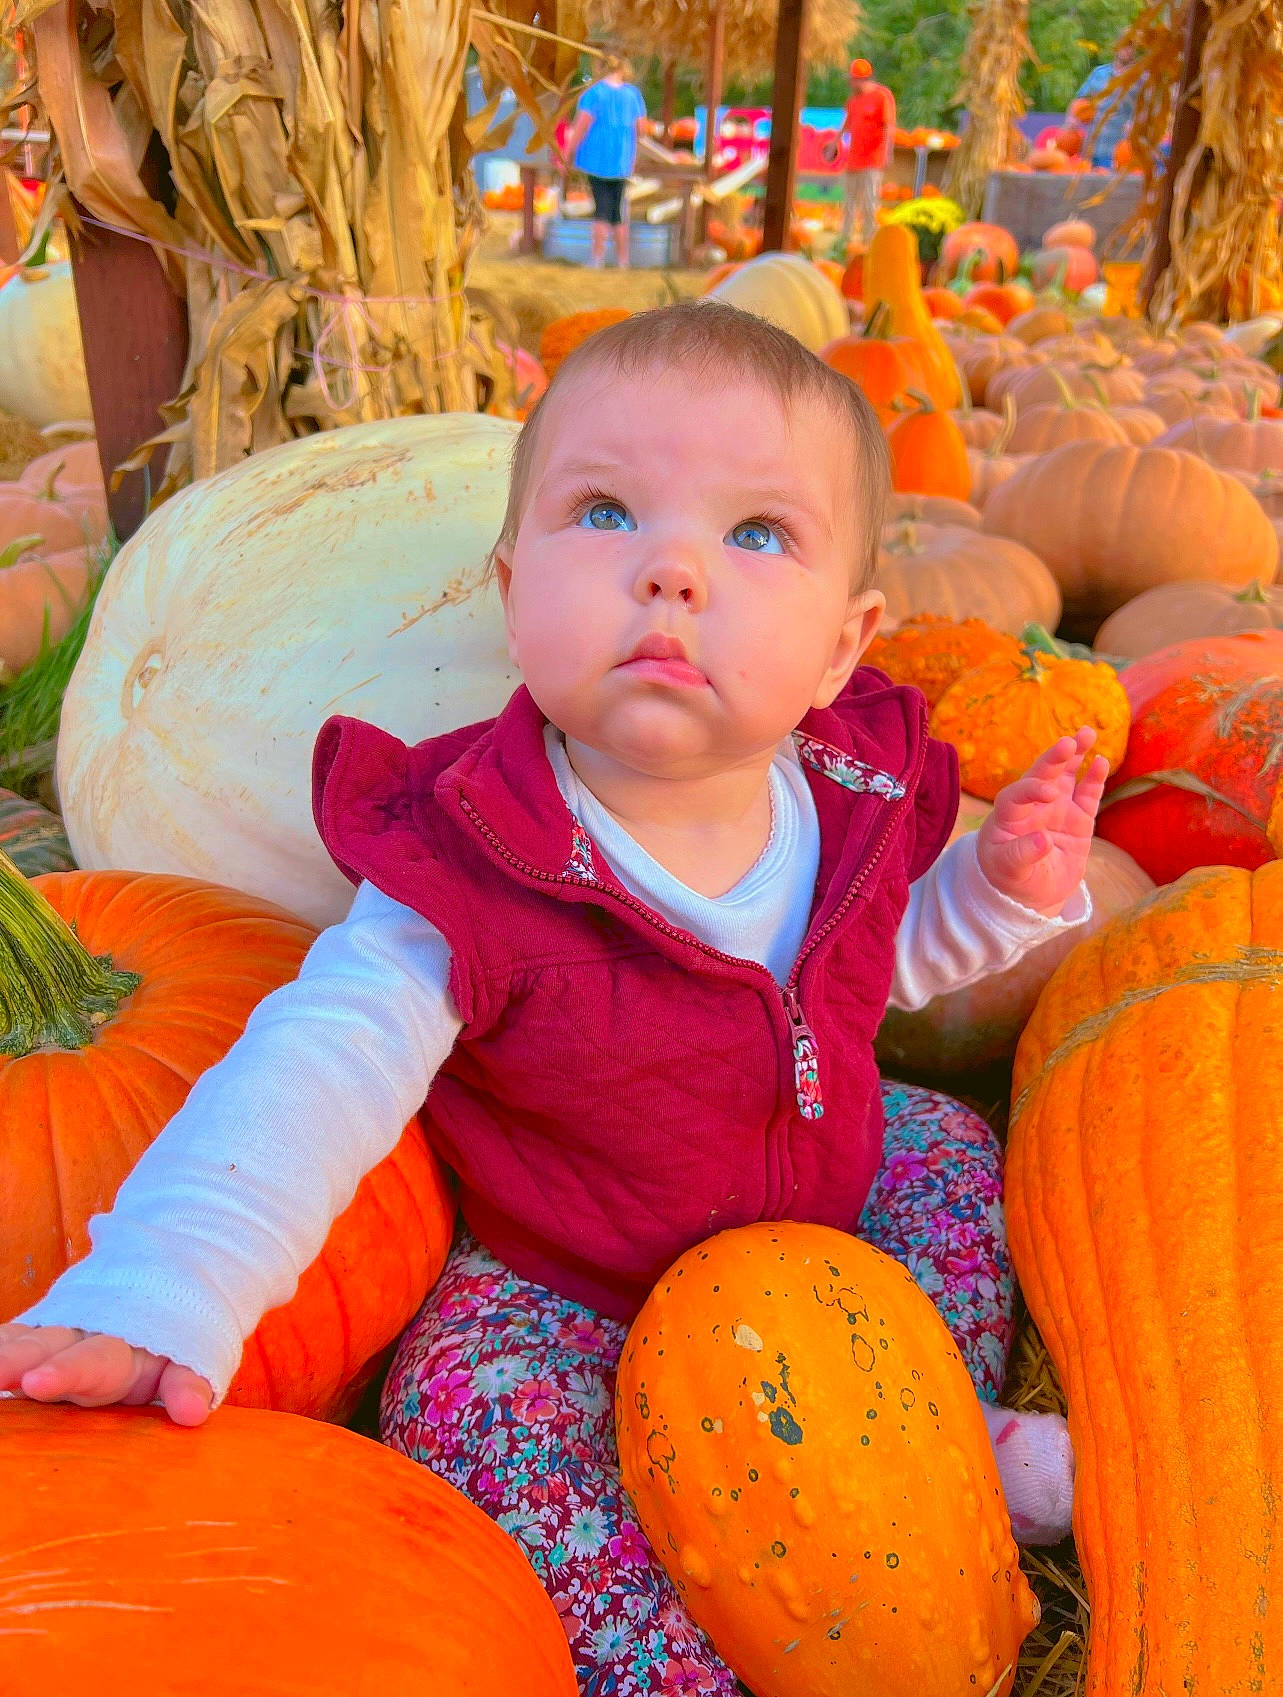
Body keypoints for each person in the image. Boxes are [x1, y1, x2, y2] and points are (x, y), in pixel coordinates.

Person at [1, 301, 1087, 1695]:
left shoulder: (839, 795)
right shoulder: (467, 855)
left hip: (821, 1232)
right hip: (568, 1286)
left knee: (939, 1145)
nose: (672, 571)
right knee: (465, 1412)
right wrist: (168, 1284)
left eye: (754, 535)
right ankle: (665, 1661)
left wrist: (994, 894)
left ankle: (929, 1439)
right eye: (605, 512)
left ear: (838, 648)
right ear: (512, 593)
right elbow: (313, 1073)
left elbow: (869, 980)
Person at [563, 56, 648, 268]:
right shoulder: (632, 94)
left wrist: (568, 151)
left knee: (600, 208)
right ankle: (622, 260)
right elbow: (642, 129)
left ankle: (597, 257)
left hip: (596, 159)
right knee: (618, 211)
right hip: (622, 160)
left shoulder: (594, 94)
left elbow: (581, 125)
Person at [839, 58, 896, 248]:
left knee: (870, 202)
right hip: (854, 159)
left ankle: (869, 241)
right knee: (849, 202)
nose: (850, 83)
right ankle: (845, 239)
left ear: (862, 79)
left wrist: (888, 151)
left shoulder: (882, 96)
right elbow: (847, 124)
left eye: (852, 80)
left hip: (873, 158)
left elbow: (888, 125)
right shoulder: (853, 101)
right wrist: (834, 141)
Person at [1072, 41, 1139, 171]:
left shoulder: (1140, 78)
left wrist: (1134, 124)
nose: (1127, 50)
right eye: (1124, 44)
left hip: (1118, 151)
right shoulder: (1099, 73)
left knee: (1109, 188)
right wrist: (1072, 120)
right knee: (1086, 186)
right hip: (1091, 148)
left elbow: (1147, 109)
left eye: (1131, 47)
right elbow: (1080, 100)